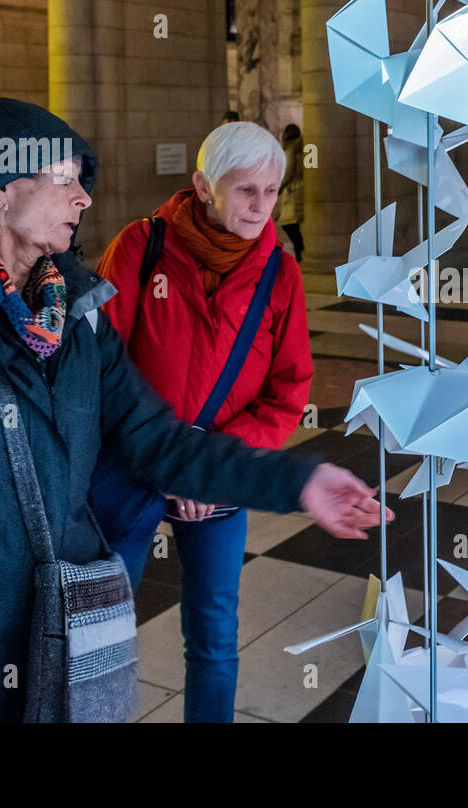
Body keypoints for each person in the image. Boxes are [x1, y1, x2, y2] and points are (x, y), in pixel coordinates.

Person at [0, 98, 389, 722]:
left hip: (46, 654)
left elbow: (161, 442)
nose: (83, 199)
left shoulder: (79, 321)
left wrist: (300, 481)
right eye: (65, 180)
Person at [92, 121, 311, 722]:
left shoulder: (280, 274)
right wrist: (161, 456)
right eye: (246, 191)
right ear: (203, 185)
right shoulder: (143, 246)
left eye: (272, 192)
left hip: (216, 478)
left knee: (214, 634)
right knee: (100, 628)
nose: (261, 207)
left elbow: (289, 391)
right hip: (132, 467)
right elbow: (100, 366)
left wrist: (208, 468)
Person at [277, 124, 304, 263]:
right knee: (294, 223)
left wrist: (279, 187)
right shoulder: (303, 148)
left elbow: (288, 172)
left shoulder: (290, 151)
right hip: (299, 189)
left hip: (292, 191)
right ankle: (300, 250)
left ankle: (300, 250)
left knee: (288, 223)